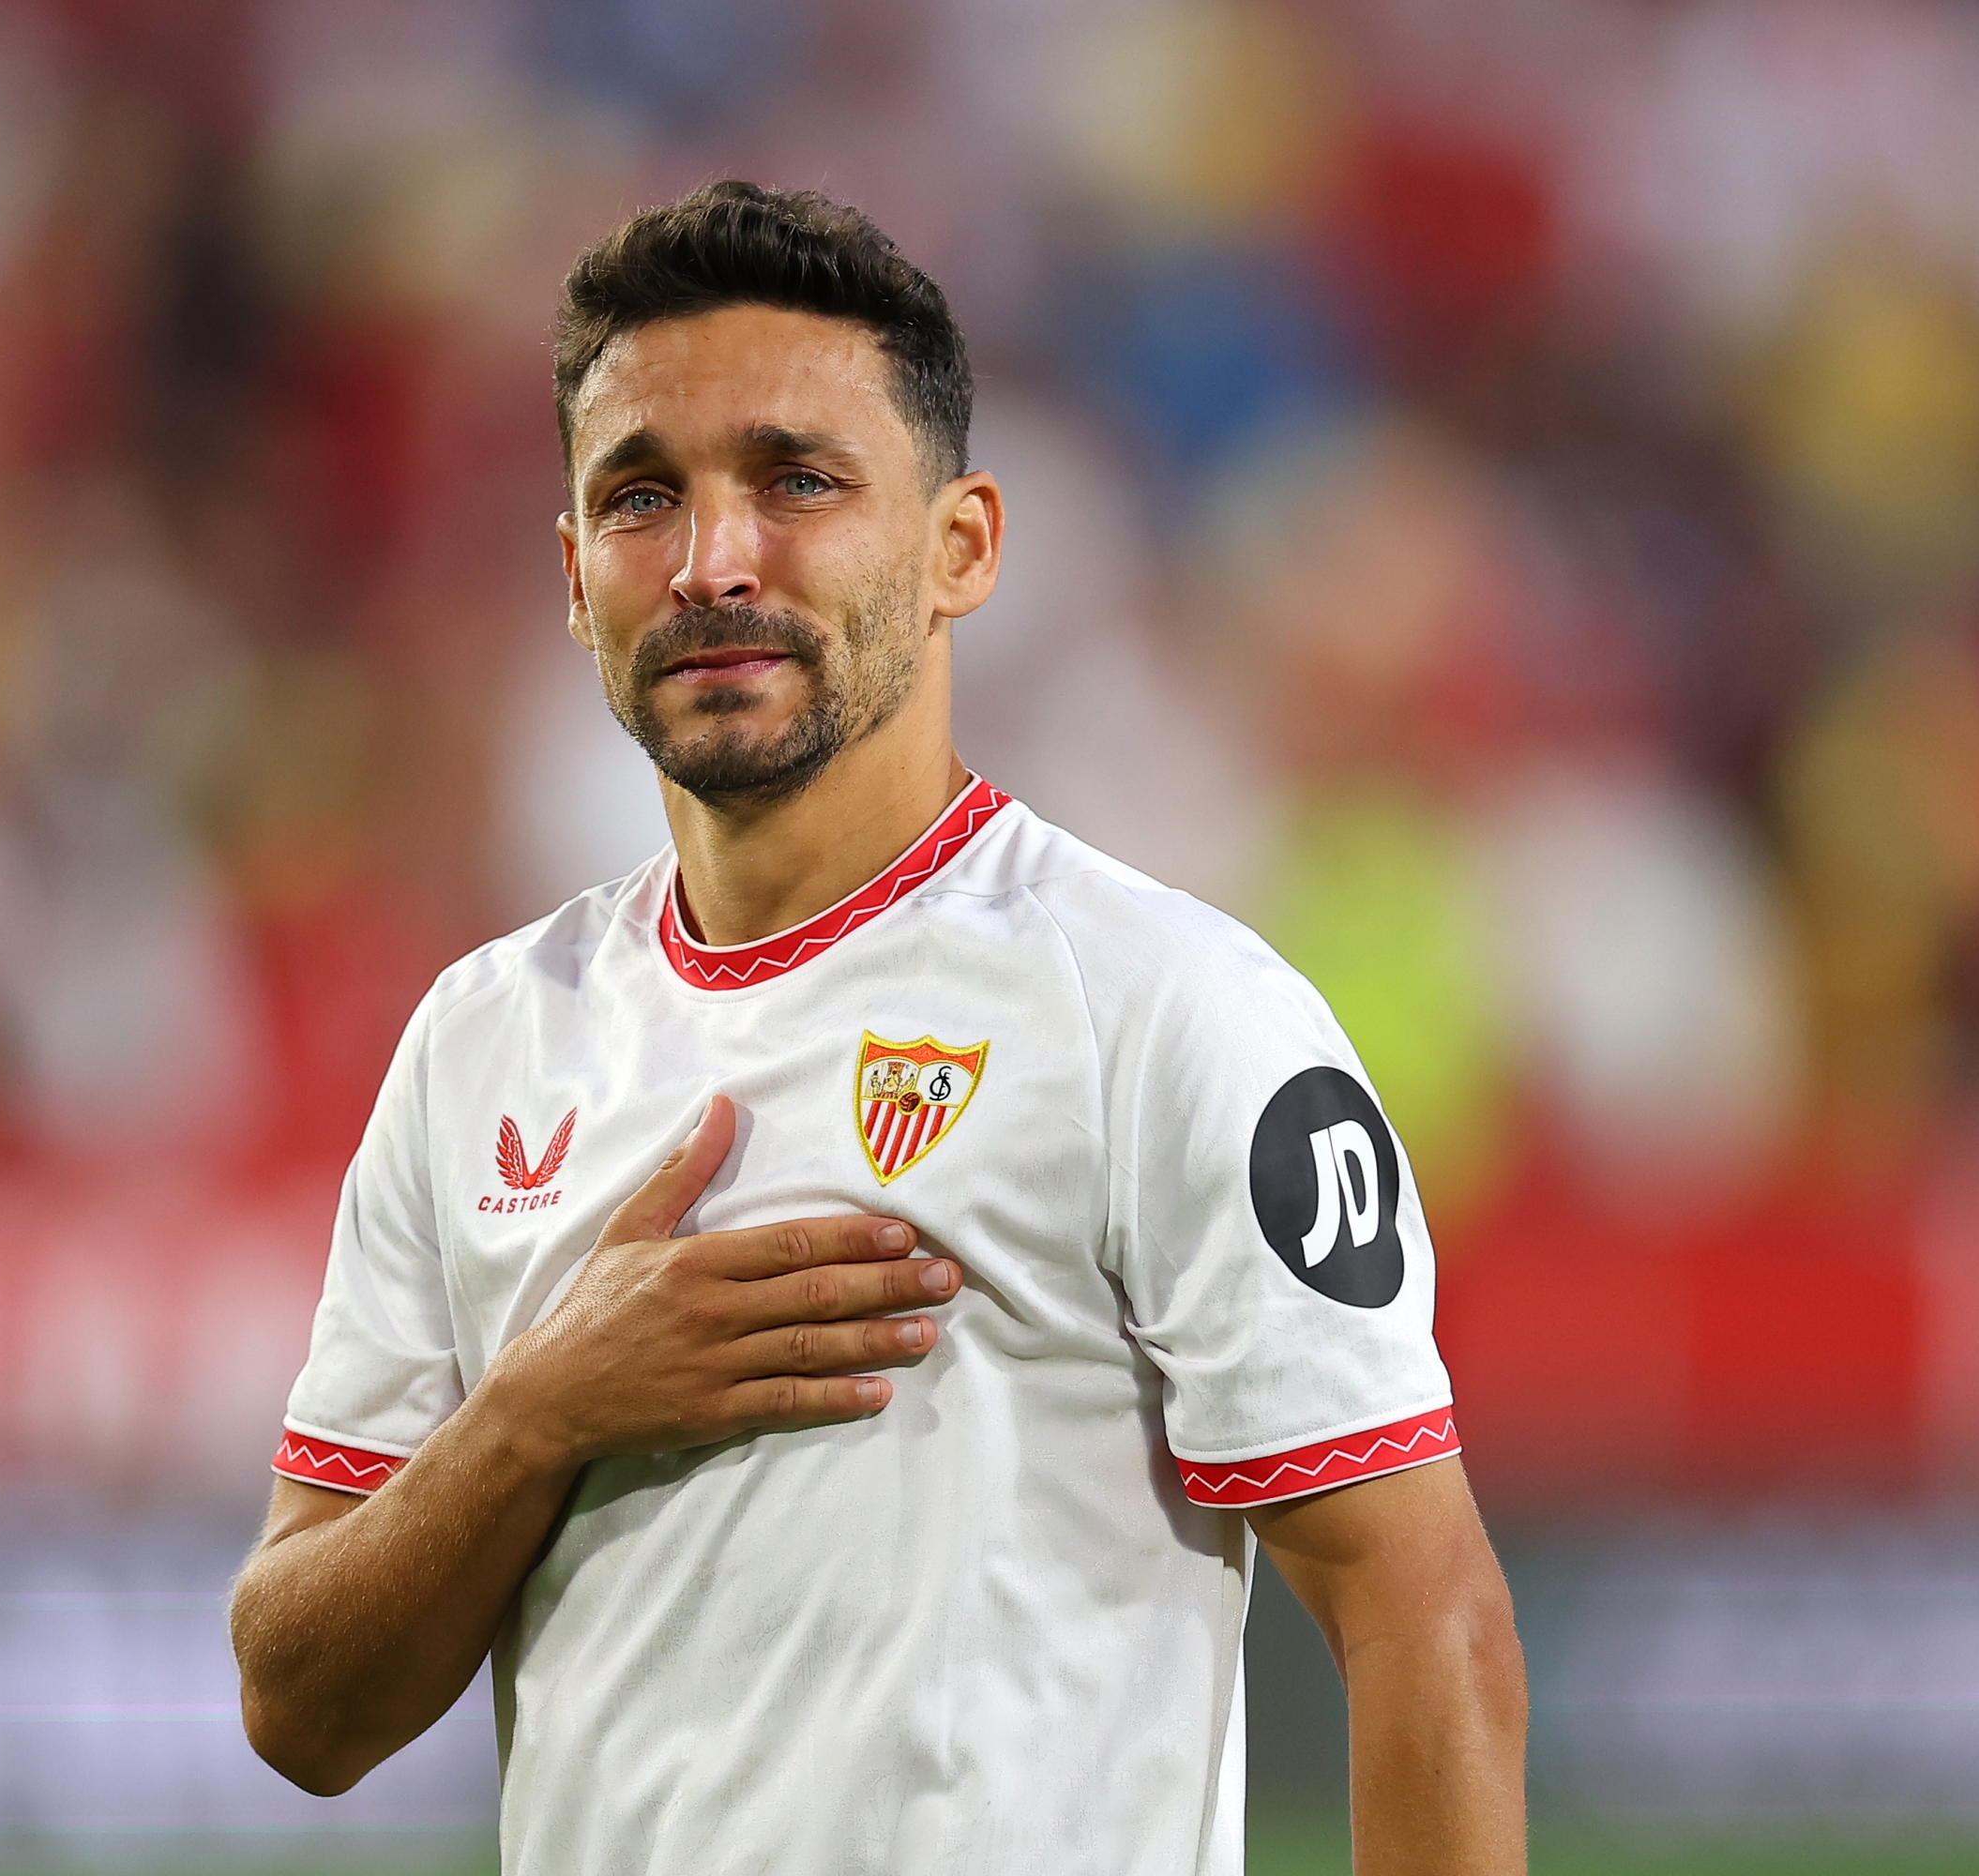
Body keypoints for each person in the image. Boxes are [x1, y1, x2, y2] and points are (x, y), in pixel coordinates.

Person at [229, 181, 1527, 1875]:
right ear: (571, 575)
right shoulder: (479, 1044)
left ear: (959, 547)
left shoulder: (1165, 1015)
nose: (711, 561)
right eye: (640, 498)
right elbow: (299, 1710)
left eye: (797, 481)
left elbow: (1427, 1628)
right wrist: (538, 1411)